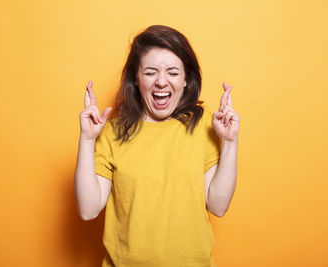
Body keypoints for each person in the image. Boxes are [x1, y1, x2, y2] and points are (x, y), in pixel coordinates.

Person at [74, 25, 240, 267]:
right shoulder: (111, 132)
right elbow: (88, 210)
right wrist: (87, 140)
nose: (162, 82)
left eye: (173, 72)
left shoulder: (204, 125)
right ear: (136, 79)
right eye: (150, 72)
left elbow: (218, 205)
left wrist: (229, 141)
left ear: (186, 80)